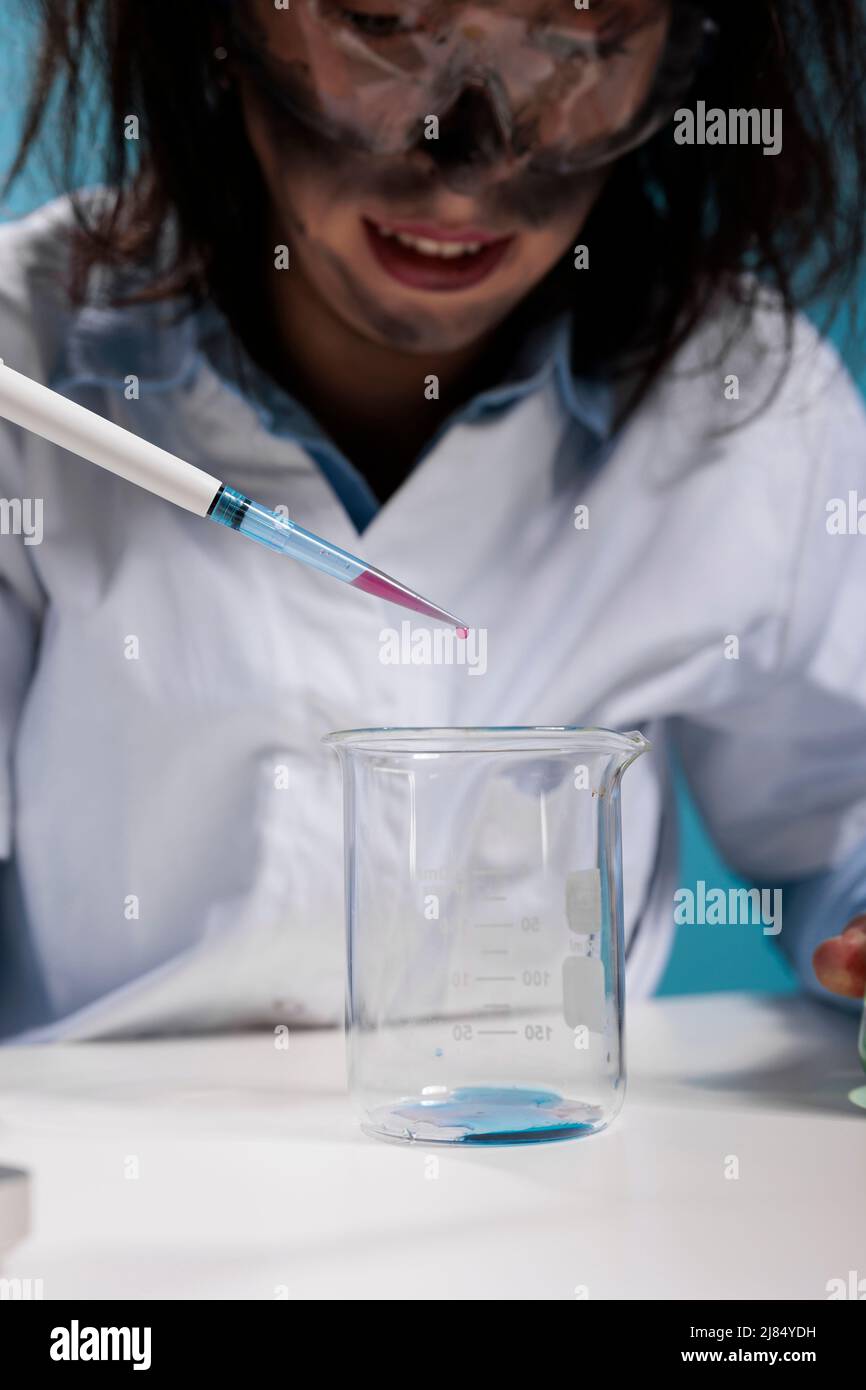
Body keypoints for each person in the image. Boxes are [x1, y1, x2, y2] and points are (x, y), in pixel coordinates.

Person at [0, 0, 865, 1041]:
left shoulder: (742, 405)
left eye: (578, 33)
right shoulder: (27, 369)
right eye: (383, 19)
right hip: (111, 1181)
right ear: (219, 25)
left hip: (555, 1176)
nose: (468, 158)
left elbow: (841, 821)